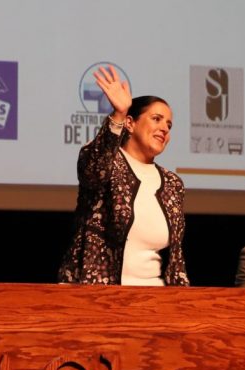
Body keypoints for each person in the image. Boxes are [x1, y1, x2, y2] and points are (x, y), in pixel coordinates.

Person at [59, 65, 189, 286]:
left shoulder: (172, 183)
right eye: (156, 119)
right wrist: (119, 113)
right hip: (98, 293)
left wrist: (182, 297)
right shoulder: (107, 161)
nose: (165, 128)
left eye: (169, 124)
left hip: (156, 294)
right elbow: (93, 171)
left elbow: (176, 258)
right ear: (130, 123)